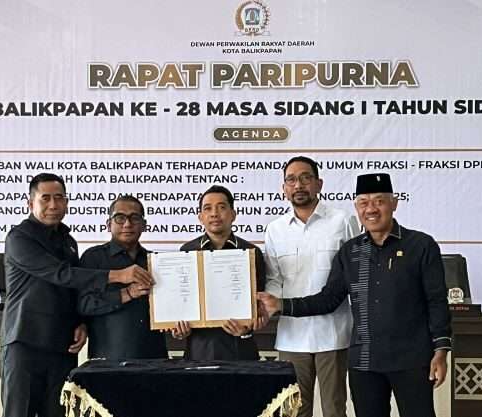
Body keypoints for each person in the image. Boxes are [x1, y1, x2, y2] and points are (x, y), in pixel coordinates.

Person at [258, 173, 452, 417]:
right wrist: (281, 305)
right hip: (364, 362)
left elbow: (436, 300)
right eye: (363, 203)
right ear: (357, 208)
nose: (371, 209)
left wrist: (441, 350)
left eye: (379, 201)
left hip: (412, 359)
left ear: (394, 204)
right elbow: (327, 299)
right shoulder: (350, 251)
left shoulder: (421, 245)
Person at [0, 173, 153, 417]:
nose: (53, 205)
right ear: (30, 203)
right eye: (45, 198)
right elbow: (61, 274)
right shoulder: (19, 238)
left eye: (59, 198)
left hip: (63, 347)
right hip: (25, 342)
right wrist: (118, 276)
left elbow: (73, 291)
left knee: (60, 412)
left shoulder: (68, 241)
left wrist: (79, 322)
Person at [263, 156, 359, 417]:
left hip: (334, 332)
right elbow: (274, 278)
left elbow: (356, 274)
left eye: (306, 178)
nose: (299, 185)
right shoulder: (275, 229)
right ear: (284, 189)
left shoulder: (342, 221)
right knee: (293, 410)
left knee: (334, 409)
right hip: (291, 335)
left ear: (319, 184)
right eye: (291, 180)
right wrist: (267, 304)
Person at [172, 185, 267, 360]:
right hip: (199, 349)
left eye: (222, 207)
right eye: (208, 208)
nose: (214, 213)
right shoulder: (187, 252)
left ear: (233, 214)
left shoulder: (251, 252)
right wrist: (178, 329)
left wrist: (251, 324)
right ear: (200, 217)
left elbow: (260, 301)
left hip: (240, 346)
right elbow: (180, 303)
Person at [77, 195, 167, 360]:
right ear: (108, 224)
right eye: (120, 218)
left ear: (144, 225)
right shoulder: (93, 258)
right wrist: (127, 294)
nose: (127, 224)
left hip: (154, 358)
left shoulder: (156, 261)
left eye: (135, 218)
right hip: (108, 358)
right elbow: (84, 305)